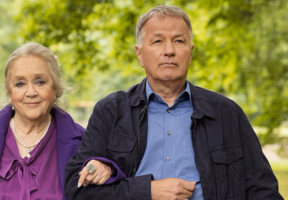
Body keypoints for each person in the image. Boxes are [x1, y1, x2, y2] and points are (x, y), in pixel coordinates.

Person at [64, 5, 283, 200]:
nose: (169, 50)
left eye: (179, 40)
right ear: (140, 54)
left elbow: (263, 191)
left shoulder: (227, 113)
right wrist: (148, 191)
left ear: (190, 52)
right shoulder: (111, 111)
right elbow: (77, 190)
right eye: (158, 41)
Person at [0, 43, 111, 200]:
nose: (31, 92)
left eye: (40, 82)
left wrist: (108, 169)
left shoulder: (83, 142)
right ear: (9, 90)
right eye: (20, 84)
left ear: (55, 88)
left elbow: (112, 190)